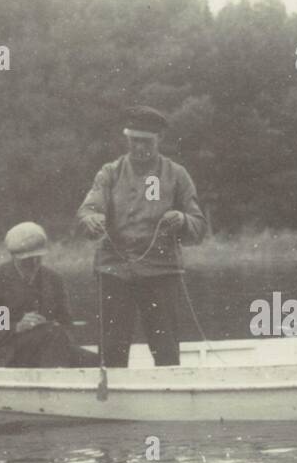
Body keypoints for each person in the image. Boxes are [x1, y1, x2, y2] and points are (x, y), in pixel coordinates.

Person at [77, 105, 208, 367]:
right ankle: (113, 401)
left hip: (161, 271)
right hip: (115, 270)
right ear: (127, 139)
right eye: (133, 141)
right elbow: (88, 209)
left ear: (160, 139)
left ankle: (169, 394)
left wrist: (182, 220)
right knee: (112, 348)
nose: (139, 148)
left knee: (166, 348)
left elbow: (198, 225)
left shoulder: (177, 174)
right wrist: (90, 219)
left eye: (145, 142)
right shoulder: (110, 173)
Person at [0, 222, 98, 368]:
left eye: (38, 257)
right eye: (27, 260)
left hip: (50, 348)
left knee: (99, 362)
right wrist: (16, 327)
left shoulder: (53, 279)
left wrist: (53, 326)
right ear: (14, 256)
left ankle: (56, 377)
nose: (34, 263)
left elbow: (67, 325)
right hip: (8, 353)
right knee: (51, 335)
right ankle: (53, 383)